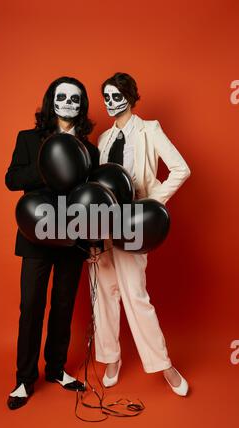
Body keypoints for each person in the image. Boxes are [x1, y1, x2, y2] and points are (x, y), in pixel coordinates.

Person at [90, 72, 191, 396]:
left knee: (135, 294)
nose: (110, 102)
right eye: (105, 96)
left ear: (131, 97)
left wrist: (151, 205)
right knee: (105, 294)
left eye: (116, 95)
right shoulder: (103, 139)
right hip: (102, 226)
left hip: (134, 224)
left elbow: (180, 168)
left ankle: (163, 364)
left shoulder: (150, 130)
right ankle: (111, 358)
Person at [5, 76, 99, 410]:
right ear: (51, 100)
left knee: (62, 307)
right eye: (62, 97)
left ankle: (56, 369)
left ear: (81, 106)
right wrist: (49, 166)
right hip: (36, 235)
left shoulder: (90, 149)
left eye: (75, 99)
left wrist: (92, 241)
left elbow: (92, 199)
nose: (68, 104)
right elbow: (12, 179)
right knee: (31, 307)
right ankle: (23, 379)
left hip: (72, 238)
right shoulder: (28, 139)